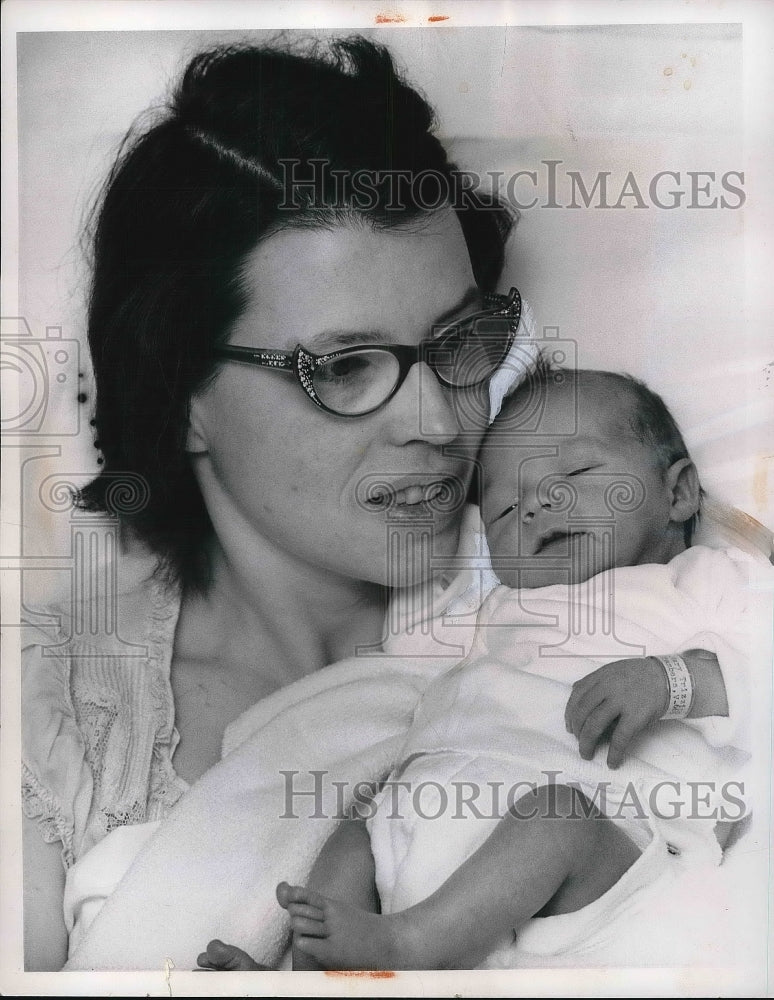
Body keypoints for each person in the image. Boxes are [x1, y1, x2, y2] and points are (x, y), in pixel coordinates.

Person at [20, 35, 525, 971]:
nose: (440, 421)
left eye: (460, 340)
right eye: (345, 366)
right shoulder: (52, 718)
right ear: (180, 401)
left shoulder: (581, 592)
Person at [228, 366, 766, 972]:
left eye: (576, 473)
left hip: (607, 843)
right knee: (350, 841)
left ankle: (408, 945)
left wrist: (674, 682)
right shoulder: (491, 613)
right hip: (428, 834)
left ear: (679, 493)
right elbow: (378, 683)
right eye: (506, 508)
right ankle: (306, 982)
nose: (536, 504)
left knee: (553, 818)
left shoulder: (699, 582)